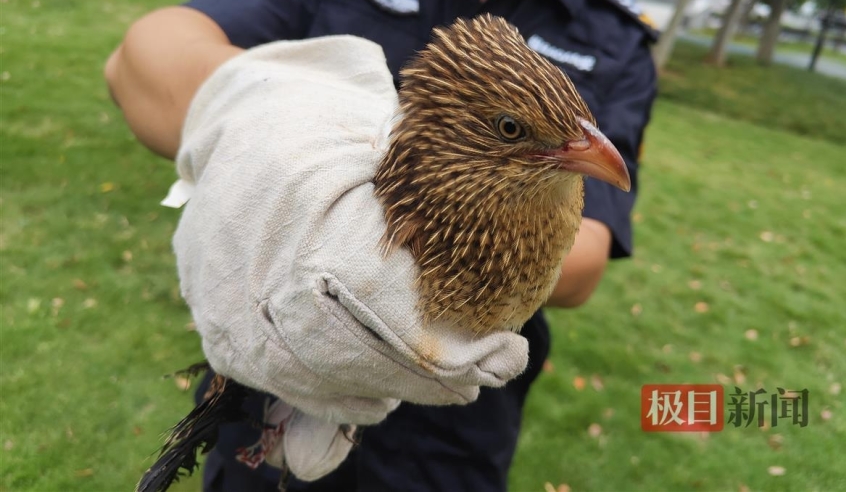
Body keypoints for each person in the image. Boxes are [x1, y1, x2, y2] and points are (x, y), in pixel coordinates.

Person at [105, 1, 657, 491]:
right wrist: (263, 134)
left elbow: (585, 263)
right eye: (513, 130)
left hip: (454, 410)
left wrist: (473, 267)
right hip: (275, 340)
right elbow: (136, 58)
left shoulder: (615, 36)